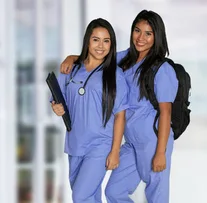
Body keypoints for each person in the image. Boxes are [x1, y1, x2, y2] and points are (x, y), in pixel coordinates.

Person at [59, 10, 178, 203]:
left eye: (148, 33)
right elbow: (97, 55)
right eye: (137, 30)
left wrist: (160, 153)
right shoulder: (126, 59)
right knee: (114, 192)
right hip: (130, 142)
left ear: (157, 36)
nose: (141, 38)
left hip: (152, 140)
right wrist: (72, 58)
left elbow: (166, 113)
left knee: (157, 195)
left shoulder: (162, 70)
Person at [50, 18, 129, 203]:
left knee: (80, 195)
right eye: (96, 40)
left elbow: (120, 115)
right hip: (75, 143)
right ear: (87, 41)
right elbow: (57, 98)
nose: (100, 46)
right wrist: (56, 107)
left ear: (112, 44)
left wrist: (115, 150)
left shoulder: (115, 75)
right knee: (90, 197)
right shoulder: (70, 68)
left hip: (100, 145)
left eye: (106, 41)